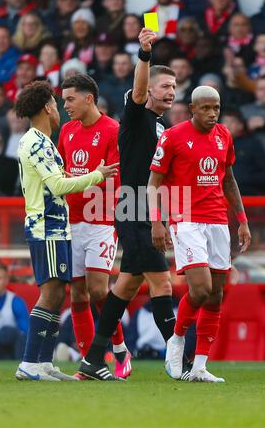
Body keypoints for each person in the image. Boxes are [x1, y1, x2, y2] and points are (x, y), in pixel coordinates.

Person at [77, 28, 185, 382]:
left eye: (174, 87)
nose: (171, 92)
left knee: (124, 287)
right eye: (165, 87)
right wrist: (144, 55)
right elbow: (138, 90)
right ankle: (179, 362)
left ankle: (93, 359)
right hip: (133, 207)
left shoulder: (161, 125)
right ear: (149, 91)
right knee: (163, 284)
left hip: (146, 208)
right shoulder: (137, 115)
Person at [14, 80, 118, 381]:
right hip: (47, 226)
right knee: (50, 295)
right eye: (57, 103)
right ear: (47, 108)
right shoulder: (36, 142)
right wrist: (97, 174)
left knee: (58, 293)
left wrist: (82, 175)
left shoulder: (41, 141)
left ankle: (44, 361)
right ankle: (29, 363)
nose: (61, 108)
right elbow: (58, 186)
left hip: (56, 226)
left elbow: (58, 177)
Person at [148, 85, 251, 382]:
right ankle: (176, 339)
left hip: (218, 220)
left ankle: (200, 367)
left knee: (216, 294)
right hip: (185, 220)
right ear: (192, 109)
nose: (212, 113)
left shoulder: (223, 136)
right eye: (205, 108)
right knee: (202, 288)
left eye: (216, 108)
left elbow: (229, 180)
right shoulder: (172, 137)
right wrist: (157, 222)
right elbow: (153, 182)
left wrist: (242, 220)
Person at [58, 73, 131, 379]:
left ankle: (119, 348)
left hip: (100, 220)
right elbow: (61, 173)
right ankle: (91, 365)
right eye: (63, 100)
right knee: (77, 295)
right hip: (71, 221)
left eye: (70, 99)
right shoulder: (67, 131)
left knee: (98, 289)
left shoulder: (113, 130)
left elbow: (115, 176)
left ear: (89, 98)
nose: (66, 106)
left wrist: (87, 180)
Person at [0, 262, 28, 360]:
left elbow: (26, 331)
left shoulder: (16, 301)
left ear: (6, 280)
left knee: (12, 333)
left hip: (9, 350)